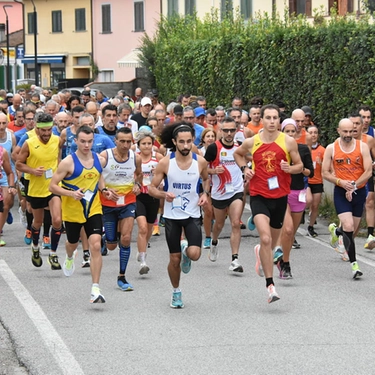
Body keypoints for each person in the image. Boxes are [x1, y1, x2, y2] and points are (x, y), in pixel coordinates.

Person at [233, 104, 303, 303]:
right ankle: (270, 286)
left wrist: (290, 168)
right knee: (265, 239)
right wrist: (245, 168)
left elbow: (299, 166)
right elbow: (238, 154)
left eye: (275, 118)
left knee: (271, 244)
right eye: (268, 118)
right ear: (261, 120)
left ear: (279, 121)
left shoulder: (288, 142)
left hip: (280, 197)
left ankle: (261, 254)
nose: (272, 121)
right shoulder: (252, 141)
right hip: (259, 195)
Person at [148, 122, 209, 308]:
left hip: (192, 214)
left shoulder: (200, 161)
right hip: (172, 215)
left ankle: (186, 251)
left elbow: (206, 180)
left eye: (189, 141)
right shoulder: (166, 162)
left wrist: (204, 194)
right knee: (174, 260)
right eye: (181, 142)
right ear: (174, 142)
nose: (185, 146)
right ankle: (176, 292)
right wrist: (163, 194)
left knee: (195, 254)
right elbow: (151, 188)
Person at [49, 126, 112, 303]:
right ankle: (69, 257)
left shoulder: (99, 159)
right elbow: (52, 186)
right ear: (75, 140)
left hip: (94, 209)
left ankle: (95, 288)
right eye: (82, 141)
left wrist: (104, 190)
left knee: (96, 245)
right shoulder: (68, 162)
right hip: (72, 211)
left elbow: (98, 177)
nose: (86, 145)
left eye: (90, 141)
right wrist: (71, 194)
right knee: (72, 243)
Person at [322, 118, 372, 279]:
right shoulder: (332, 148)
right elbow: (325, 173)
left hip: (358, 191)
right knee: (349, 226)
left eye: (351, 131)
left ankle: (336, 231)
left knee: (353, 230)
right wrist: (341, 182)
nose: (349, 135)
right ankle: (354, 265)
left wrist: (354, 185)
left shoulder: (362, 147)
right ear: (338, 131)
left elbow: (368, 171)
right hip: (341, 192)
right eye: (345, 132)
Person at [15, 113, 64, 270]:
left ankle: (53, 254)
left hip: (53, 186)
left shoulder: (57, 140)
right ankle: (35, 247)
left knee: (57, 220)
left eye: (49, 130)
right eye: (43, 131)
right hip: (36, 189)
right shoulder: (29, 144)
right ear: (37, 129)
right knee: (37, 222)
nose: (46, 134)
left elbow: (58, 159)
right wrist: (32, 170)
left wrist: (60, 174)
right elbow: (18, 164)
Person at [100, 127, 143, 291]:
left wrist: (137, 185)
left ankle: (122, 277)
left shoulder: (135, 157)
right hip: (108, 203)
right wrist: (105, 190)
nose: (125, 145)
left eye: (129, 141)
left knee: (125, 239)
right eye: (122, 141)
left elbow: (139, 174)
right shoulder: (105, 156)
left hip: (128, 202)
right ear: (115, 141)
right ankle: (107, 239)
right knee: (112, 245)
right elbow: (97, 176)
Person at [274, 118, 314, 279]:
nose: (290, 134)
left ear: (297, 132)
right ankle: (281, 258)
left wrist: (299, 169)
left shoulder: (303, 149)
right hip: (282, 192)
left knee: (291, 234)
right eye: (287, 131)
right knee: (288, 228)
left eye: (293, 131)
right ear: (281, 132)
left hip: (299, 192)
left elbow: (310, 172)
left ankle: (285, 261)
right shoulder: (276, 149)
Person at [204, 116, 245, 272]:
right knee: (219, 224)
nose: (229, 133)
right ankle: (214, 241)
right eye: (226, 130)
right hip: (219, 192)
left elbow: (248, 160)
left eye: (232, 130)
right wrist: (214, 171)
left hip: (236, 190)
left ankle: (235, 259)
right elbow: (202, 168)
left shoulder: (240, 147)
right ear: (220, 131)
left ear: (236, 131)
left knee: (235, 222)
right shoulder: (214, 148)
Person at [135, 130, 162, 274]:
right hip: (139, 196)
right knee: (142, 228)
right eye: (143, 144)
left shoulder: (158, 157)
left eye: (149, 143)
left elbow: (166, 174)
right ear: (138, 145)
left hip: (153, 196)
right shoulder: (134, 158)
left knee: (149, 229)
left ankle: (141, 249)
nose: (146, 146)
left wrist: (161, 182)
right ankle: (143, 261)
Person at [198, 128, 217, 249]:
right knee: (208, 210)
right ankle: (208, 237)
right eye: (208, 136)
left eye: (212, 136)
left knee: (215, 213)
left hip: (217, 183)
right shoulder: (199, 152)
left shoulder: (218, 150)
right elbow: (200, 171)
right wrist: (213, 171)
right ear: (203, 139)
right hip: (203, 183)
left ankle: (212, 223)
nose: (210, 138)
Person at [306, 124, 325, 238]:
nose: (313, 135)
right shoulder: (303, 148)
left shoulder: (322, 150)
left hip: (317, 181)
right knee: (307, 201)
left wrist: (321, 163)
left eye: (315, 133)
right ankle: (300, 215)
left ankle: (311, 226)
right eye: (311, 132)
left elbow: (328, 168)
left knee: (315, 205)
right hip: (306, 181)